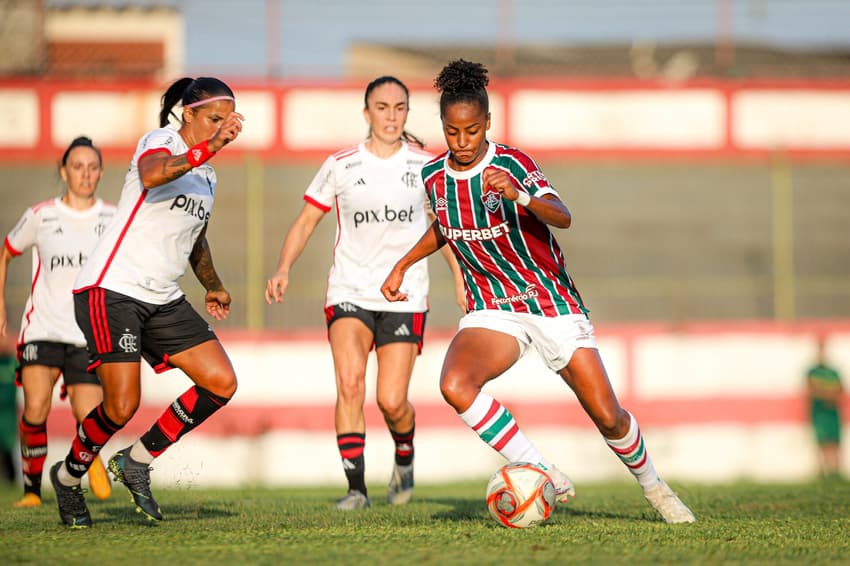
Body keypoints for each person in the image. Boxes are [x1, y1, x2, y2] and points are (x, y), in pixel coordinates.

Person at [381, 59, 696, 524]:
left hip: (548, 300)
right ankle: (542, 467)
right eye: (452, 132)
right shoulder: (433, 177)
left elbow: (562, 215)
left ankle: (656, 489)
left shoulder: (512, 163)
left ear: (487, 123)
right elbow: (446, 227)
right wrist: (402, 264)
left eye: (471, 131)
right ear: (443, 128)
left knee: (608, 415)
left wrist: (520, 196)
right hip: (493, 307)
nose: (462, 142)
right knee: (455, 384)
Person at [48, 77, 243, 528]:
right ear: (188, 114)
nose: (221, 127)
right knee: (121, 406)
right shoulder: (161, 140)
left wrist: (213, 284)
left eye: (227, 120)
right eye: (214, 118)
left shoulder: (207, 175)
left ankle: (136, 460)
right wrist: (209, 145)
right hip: (112, 288)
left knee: (221, 382)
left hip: (162, 297)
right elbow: (156, 172)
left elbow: (196, 241)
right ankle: (68, 476)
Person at [265, 75, 464, 510]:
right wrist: (283, 268)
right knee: (350, 384)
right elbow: (305, 222)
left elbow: (443, 230)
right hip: (349, 291)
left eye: (399, 108)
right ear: (366, 112)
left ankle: (404, 458)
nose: (391, 116)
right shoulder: (341, 165)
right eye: (382, 107)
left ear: (407, 114)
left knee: (392, 401)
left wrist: (461, 280)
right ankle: (357, 489)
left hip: (405, 295)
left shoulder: (426, 166)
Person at [0, 136, 115, 508]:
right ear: (64, 171)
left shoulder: (113, 219)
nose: (85, 174)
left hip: (88, 334)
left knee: (90, 417)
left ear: (100, 172)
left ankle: (86, 462)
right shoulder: (42, 215)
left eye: (92, 167)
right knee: (35, 408)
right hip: (43, 329)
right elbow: (6, 252)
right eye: (78, 166)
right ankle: (32, 491)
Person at [806, 335, 843, 479]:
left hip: (832, 411)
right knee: (821, 442)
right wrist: (826, 392)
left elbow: (840, 389)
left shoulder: (833, 372)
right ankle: (821, 472)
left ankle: (835, 471)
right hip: (819, 412)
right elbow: (811, 389)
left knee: (834, 442)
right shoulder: (812, 371)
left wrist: (828, 393)